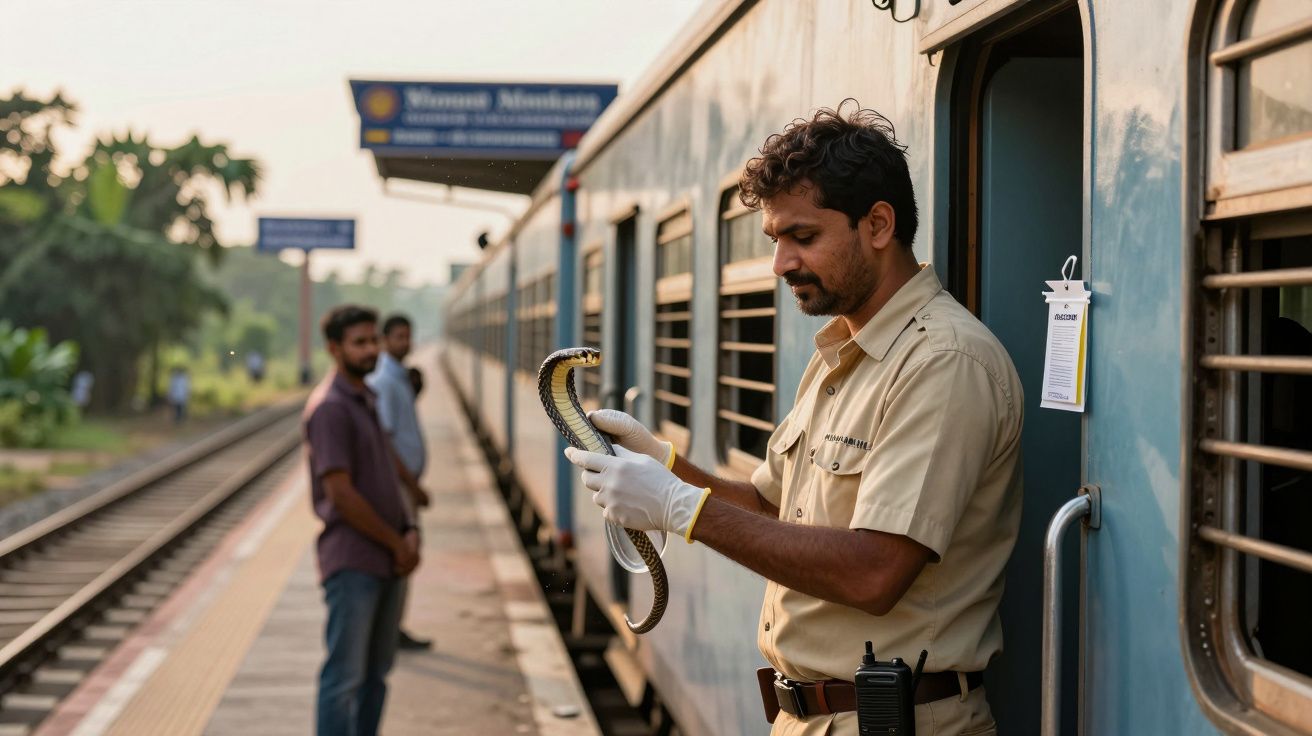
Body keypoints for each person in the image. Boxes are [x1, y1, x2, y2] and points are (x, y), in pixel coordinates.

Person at [564, 103, 1023, 736]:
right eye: (775, 241)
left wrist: (679, 507)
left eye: (803, 237)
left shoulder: (943, 362)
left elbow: (874, 572)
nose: (781, 263)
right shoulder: (844, 353)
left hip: (898, 722)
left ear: (879, 225)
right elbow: (767, 505)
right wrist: (664, 465)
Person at [303, 305, 421, 736]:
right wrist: (396, 542)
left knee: (376, 675)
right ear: (334, 349)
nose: (371, 349)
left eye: (374, 340)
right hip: (354, 561)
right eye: (360, 342)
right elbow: (341, 494)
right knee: (344, 679)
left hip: (387, 556)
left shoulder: (365, 396)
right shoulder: (330, 409)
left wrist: (409, 530)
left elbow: (385, 473)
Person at [365, 313, 432, 651]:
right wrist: (414, 487)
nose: (406, 343)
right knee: (404, 554)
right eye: (399, 337)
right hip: (400, 487)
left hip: (406, 485)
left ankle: (393, 627)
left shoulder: (399, 378)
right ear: (385, 340)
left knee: (406, 557)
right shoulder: (385, 382)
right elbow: (386, 444)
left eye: (408, 336)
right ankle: (391, 629)